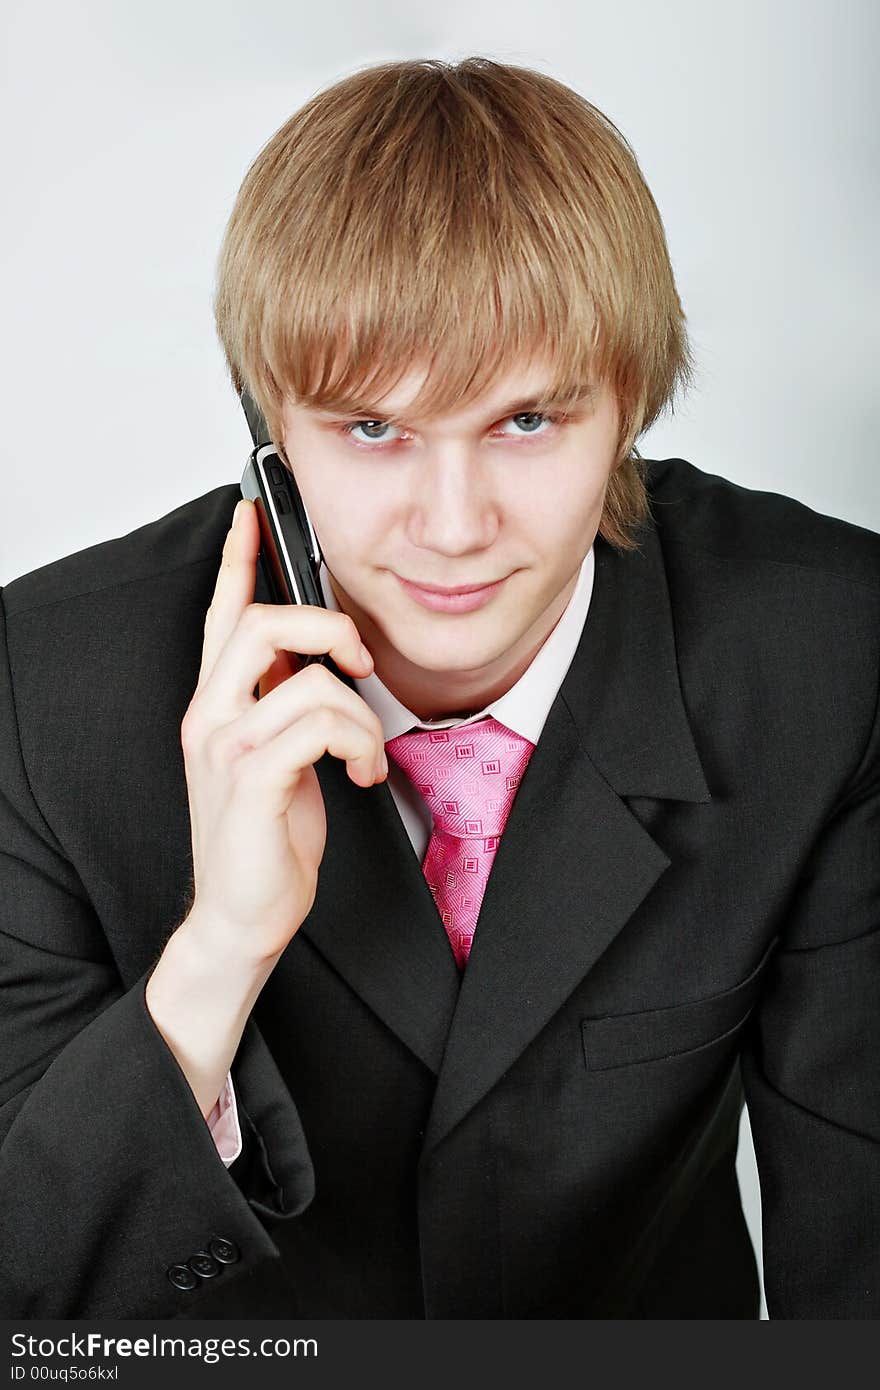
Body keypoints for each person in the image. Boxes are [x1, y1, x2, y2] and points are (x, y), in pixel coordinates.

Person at [1, 55, 877, 1321]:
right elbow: (32, 1303)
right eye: (373, 430)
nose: (455, 527)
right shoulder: (43, 691)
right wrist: (218, 953)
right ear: (271, 435)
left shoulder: (824, 652)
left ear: (628, 401)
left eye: (526, 422)